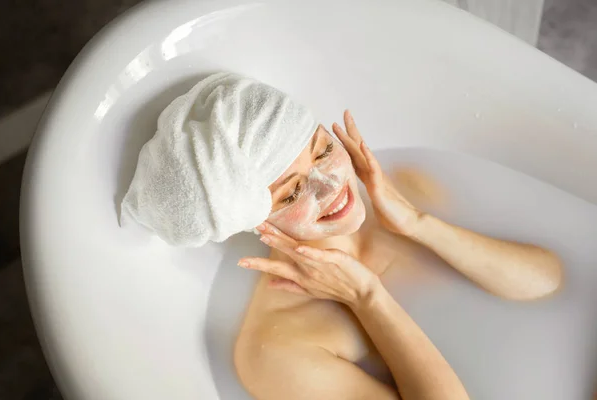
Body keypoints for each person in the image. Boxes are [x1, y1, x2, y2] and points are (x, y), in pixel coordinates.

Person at [233, 111, 563, 400]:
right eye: (292, 193)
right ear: (255, 221)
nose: (329, 185)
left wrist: (418, 223)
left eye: (324, 151)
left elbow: (547, 283)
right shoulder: (277, 350)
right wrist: (367, 297)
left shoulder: (401, 188)